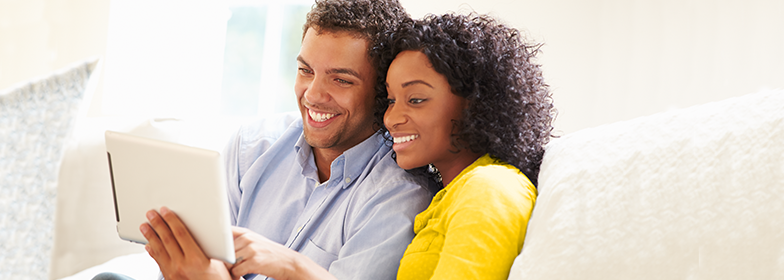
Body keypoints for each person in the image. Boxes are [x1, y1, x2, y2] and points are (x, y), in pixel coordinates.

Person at [98, 1, 437, 280]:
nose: (313, 95)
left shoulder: (398, 197)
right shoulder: (253, 146)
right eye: (305, 71)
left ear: (382, 92)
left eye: (341, 80)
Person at [376, 13, 555, 279]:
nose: (391, 118)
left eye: (415, 99)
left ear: (476, 102)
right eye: (391, 100)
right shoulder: (450, 194)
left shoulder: (488, 188)